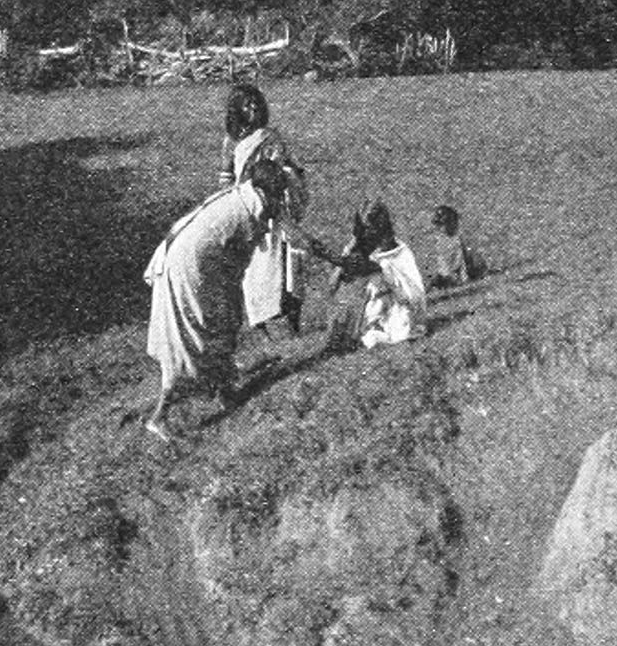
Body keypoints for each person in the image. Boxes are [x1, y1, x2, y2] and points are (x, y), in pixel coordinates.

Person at [143, 158, 292, 439]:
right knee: (190, 341)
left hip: (190, 260)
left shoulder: (244, 197)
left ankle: (225, 391)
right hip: (187, 269)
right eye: (277, 194)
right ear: (266, 191)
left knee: (224, 322)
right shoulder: (250, 211)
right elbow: (237, 266)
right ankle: (159, 416)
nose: (278, 201)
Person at [217, 83, 310, 334]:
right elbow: (226, 181)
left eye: (256, 102)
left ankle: (293, 322)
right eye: (247, 105)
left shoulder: (272, 137)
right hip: (251, 209)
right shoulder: (232, 143)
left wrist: (288, 175)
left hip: (278, 209)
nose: (254, 108)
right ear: (237, 110)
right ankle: (262, 325)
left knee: (290, 267)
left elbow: (291, 166)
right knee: (257, 271)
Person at [320, 201, 427, 350]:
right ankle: (348, 334)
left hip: (397, 314)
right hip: (371, 313)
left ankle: (361, 333)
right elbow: (332, 286)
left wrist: (381, 270)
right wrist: (347, 254)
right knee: (347, 294)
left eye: (368, 230)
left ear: (381, 228)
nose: (364, 235)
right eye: (361, 230)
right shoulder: (362, 249)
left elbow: (415, 297)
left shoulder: (399, 253)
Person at [427, 203, 484, 289]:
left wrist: (462, 276)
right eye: (439, 226)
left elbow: (462, 259)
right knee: (437, 280)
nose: (439, 229)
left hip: (458, 272)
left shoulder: (456, 239)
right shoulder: (441, 240)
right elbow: (441, 261)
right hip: (448, 273)